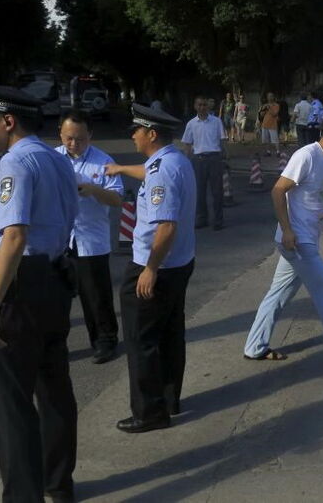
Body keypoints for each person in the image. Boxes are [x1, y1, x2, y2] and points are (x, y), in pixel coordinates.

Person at [0, 82, 79, 503]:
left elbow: (14, 236)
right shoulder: (57, 161)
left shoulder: (14, 164)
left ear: (8, 121)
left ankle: (23, 496)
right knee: (54, 390)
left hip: (22, 283)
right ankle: (59, 483)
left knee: (10, 401)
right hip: (55, 278)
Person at [243, 109, 323, 368]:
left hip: (306, 238)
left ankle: (255, 346)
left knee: (278, 293)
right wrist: (288, 230)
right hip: (298, 241)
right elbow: (278, 191)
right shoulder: (307, 156)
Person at [104, 104, 196, 433]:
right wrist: (120, 169)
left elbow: (166, 226)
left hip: (156, 266)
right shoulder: (173, 160)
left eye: (137, 130)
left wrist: (150, 269)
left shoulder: (162, 171)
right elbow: (148, 173)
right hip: (180, 263)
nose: (132, 135)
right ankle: (169, 399)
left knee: (140, 339)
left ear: (151, 134)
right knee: (170, 334)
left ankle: (148, 412)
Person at [56, 110, 124, 364]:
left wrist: (95, 190)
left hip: (91, 240)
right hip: (60, 239)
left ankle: (105, 340)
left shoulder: (104, 162)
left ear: (90, 136)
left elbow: (117, 199)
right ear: (61, 135)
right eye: (69, 138)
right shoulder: (52, 159)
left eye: (80, 139)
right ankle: (55, 345)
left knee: (95, 295)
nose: (74, 144)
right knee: (56, 297)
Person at [181, 95, 227, 231]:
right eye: (199, 105)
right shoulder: (191, 124)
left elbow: (222, 140)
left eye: (204, 105)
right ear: (195, 106)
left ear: (208, 106)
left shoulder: (216, 121)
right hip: (198, 160)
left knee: (217, 191)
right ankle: (202, 218)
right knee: (199, 192)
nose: (202, 107)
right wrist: (186, 162)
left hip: (214, 158)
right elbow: (187, 144)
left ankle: (218, 220)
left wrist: (223, 157)